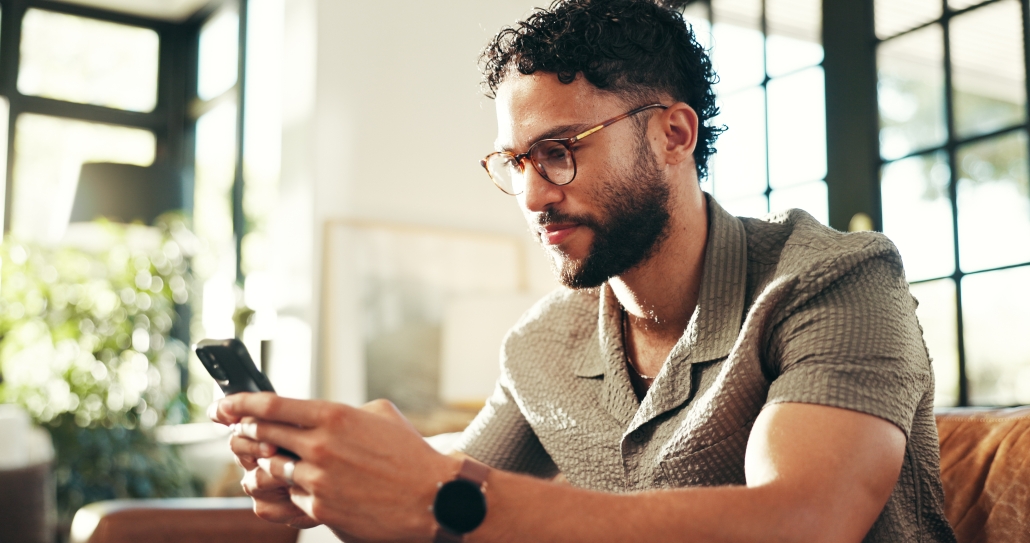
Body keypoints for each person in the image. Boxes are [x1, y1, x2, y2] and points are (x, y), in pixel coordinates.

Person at [210, 1, 958, 541]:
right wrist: (333, 474)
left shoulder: (838, 281)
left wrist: (441, 497)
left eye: (560, 150)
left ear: (673, 132)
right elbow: (448, 483)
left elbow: (803, 521)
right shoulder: (542, 345)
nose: (532, 195)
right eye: (516, 162)